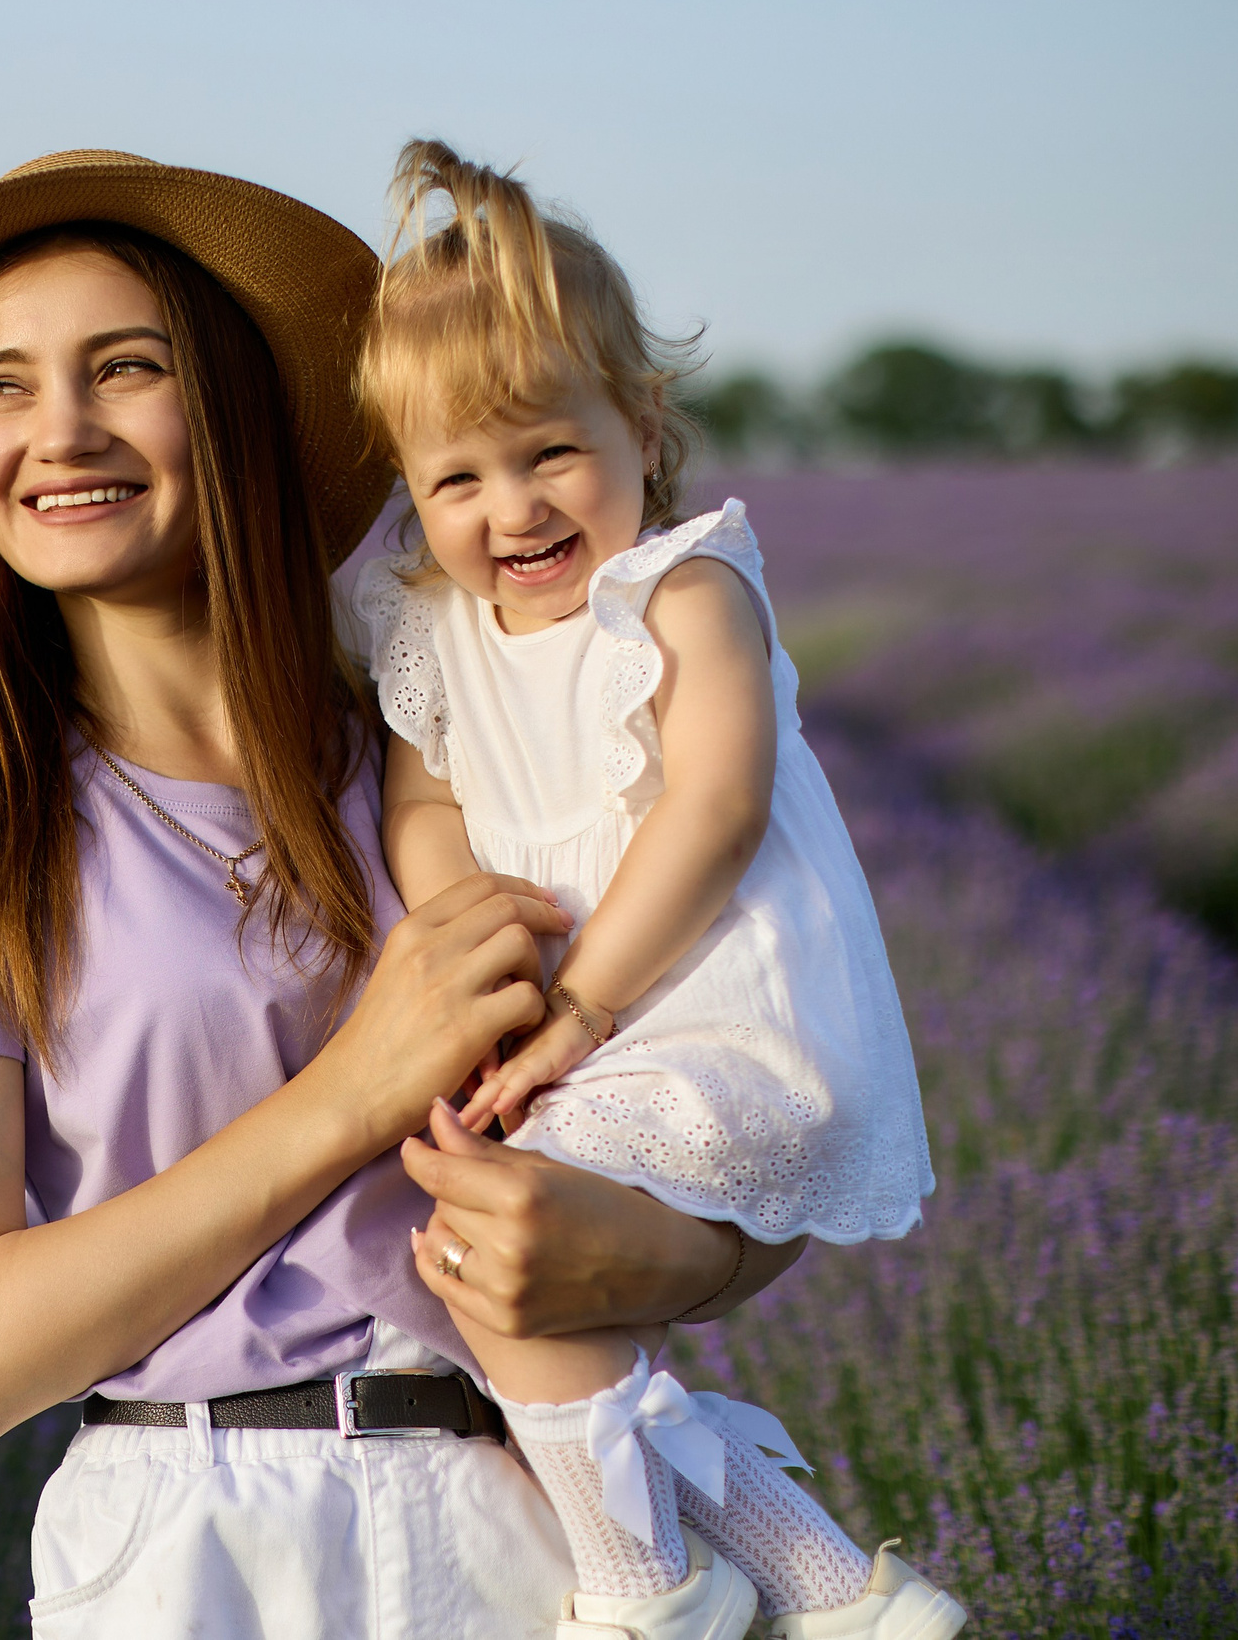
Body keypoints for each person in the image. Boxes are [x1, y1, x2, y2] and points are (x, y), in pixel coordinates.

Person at [0, 149, 801, 1639]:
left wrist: (664, 1255)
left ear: (233, 413)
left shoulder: (452, 746)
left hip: (544, 1521)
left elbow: (745, 1117)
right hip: (197, 1544)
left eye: (122, 369)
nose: (57, 432)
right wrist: (353, 1089)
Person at [349, 140, 966, 1640]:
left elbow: (715, 806)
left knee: (505, 1241)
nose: (515, 508)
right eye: (457, 478)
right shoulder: (433, 630)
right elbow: (423, 803)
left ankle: (649, 1586)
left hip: (700, 1003)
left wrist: (575, 1008)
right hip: (556, 1006)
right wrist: (473, 955)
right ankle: (839, 1593)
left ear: (640, 423)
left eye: (550, 451)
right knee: (494, 1272)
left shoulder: (684, 589)